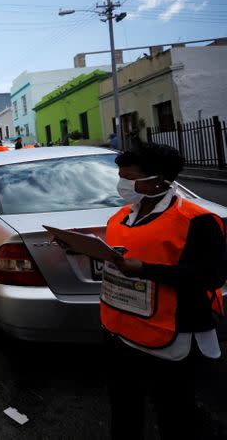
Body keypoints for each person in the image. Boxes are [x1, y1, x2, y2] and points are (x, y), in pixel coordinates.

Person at [100, 143, 226, 438]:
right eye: (120, 176)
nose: (122, 185)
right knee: (124, 412)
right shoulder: (120, 217)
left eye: (129, 178)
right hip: (120, 332)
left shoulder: (197, 221)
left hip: (170, 336)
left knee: (174, 414)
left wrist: (145, 270)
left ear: (158, 181)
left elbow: (210, 276)